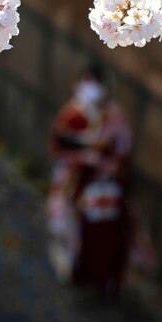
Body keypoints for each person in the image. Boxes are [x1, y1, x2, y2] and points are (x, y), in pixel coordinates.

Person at [48, 64, 132, 300]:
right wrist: (86, 151)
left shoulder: (113, 116)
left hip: (105, 185)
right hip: (78, 181)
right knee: (74, 228)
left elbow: (122, 147)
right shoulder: (73, 113)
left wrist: (107, 158)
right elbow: (60, 144)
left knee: (108, 234)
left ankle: (107, 279)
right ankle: (78, 271)